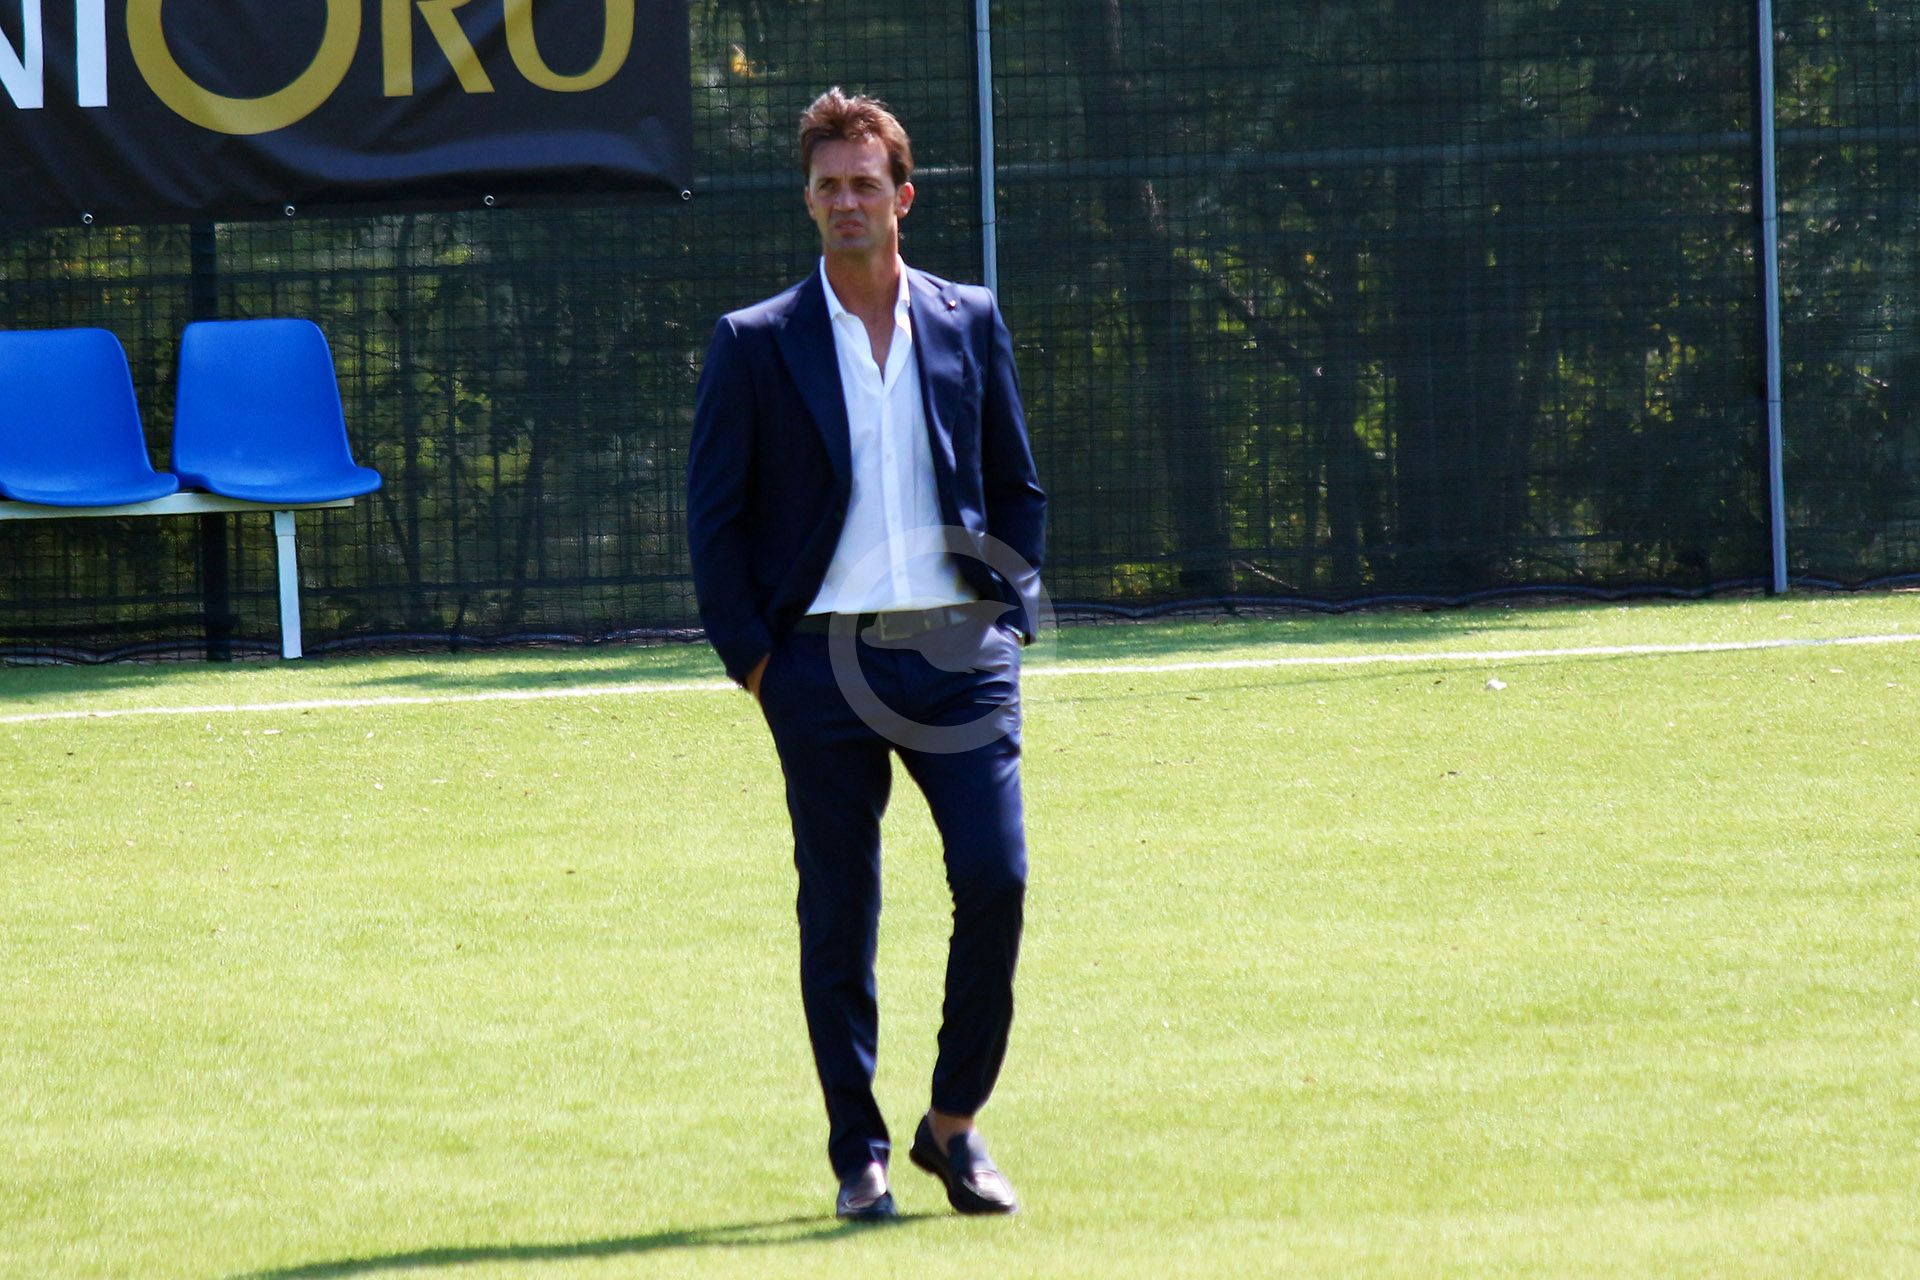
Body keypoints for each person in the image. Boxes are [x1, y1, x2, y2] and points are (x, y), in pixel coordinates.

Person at [686, 87, 1046, 1221]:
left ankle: (954, 1124)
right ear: (808, 201)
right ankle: (862, 1152)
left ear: (904, 197)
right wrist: (757, 664)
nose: (846, 201)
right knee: (839, 911)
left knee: (997, 877)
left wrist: (1008, 618)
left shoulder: (968, 319)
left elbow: (1016, 484)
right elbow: (714, 520)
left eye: (864, 184)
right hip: (815, 666)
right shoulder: (754, 342)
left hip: (957, 652)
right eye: (827, 185)